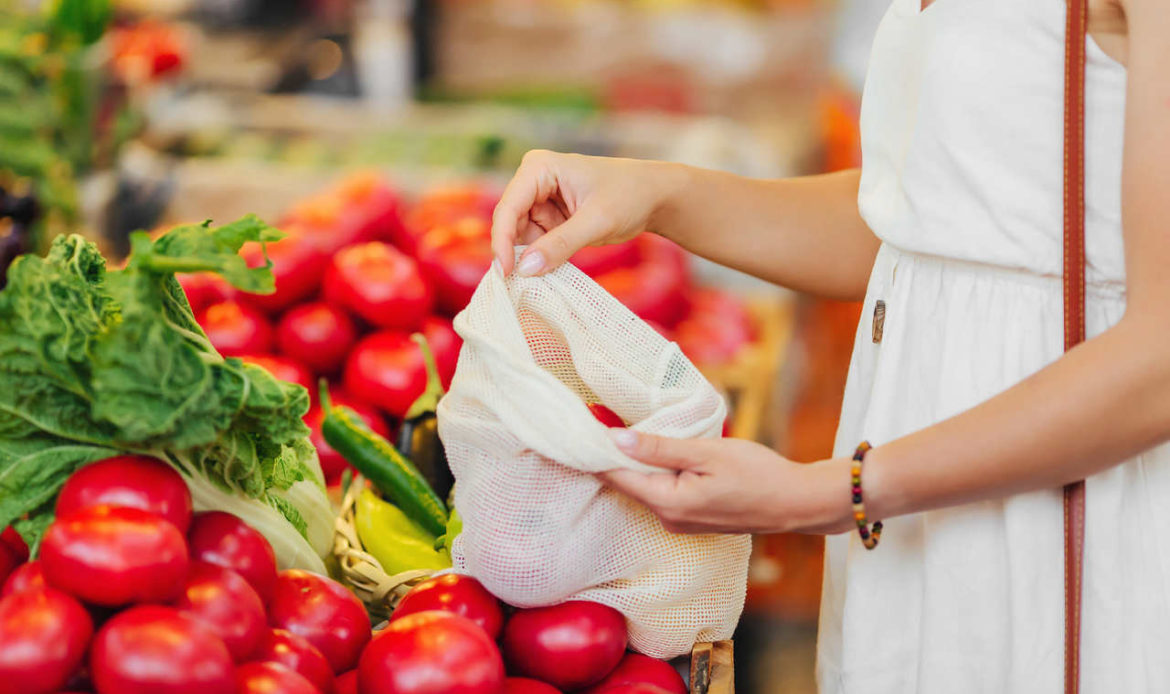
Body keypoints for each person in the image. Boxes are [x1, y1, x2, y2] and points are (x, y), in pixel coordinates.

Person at [488, 0, 1158, 691]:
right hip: (915, 513)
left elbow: (1161, 360)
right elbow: (921, 236)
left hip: (1056, 524)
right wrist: (659, 192)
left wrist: (830, 492)